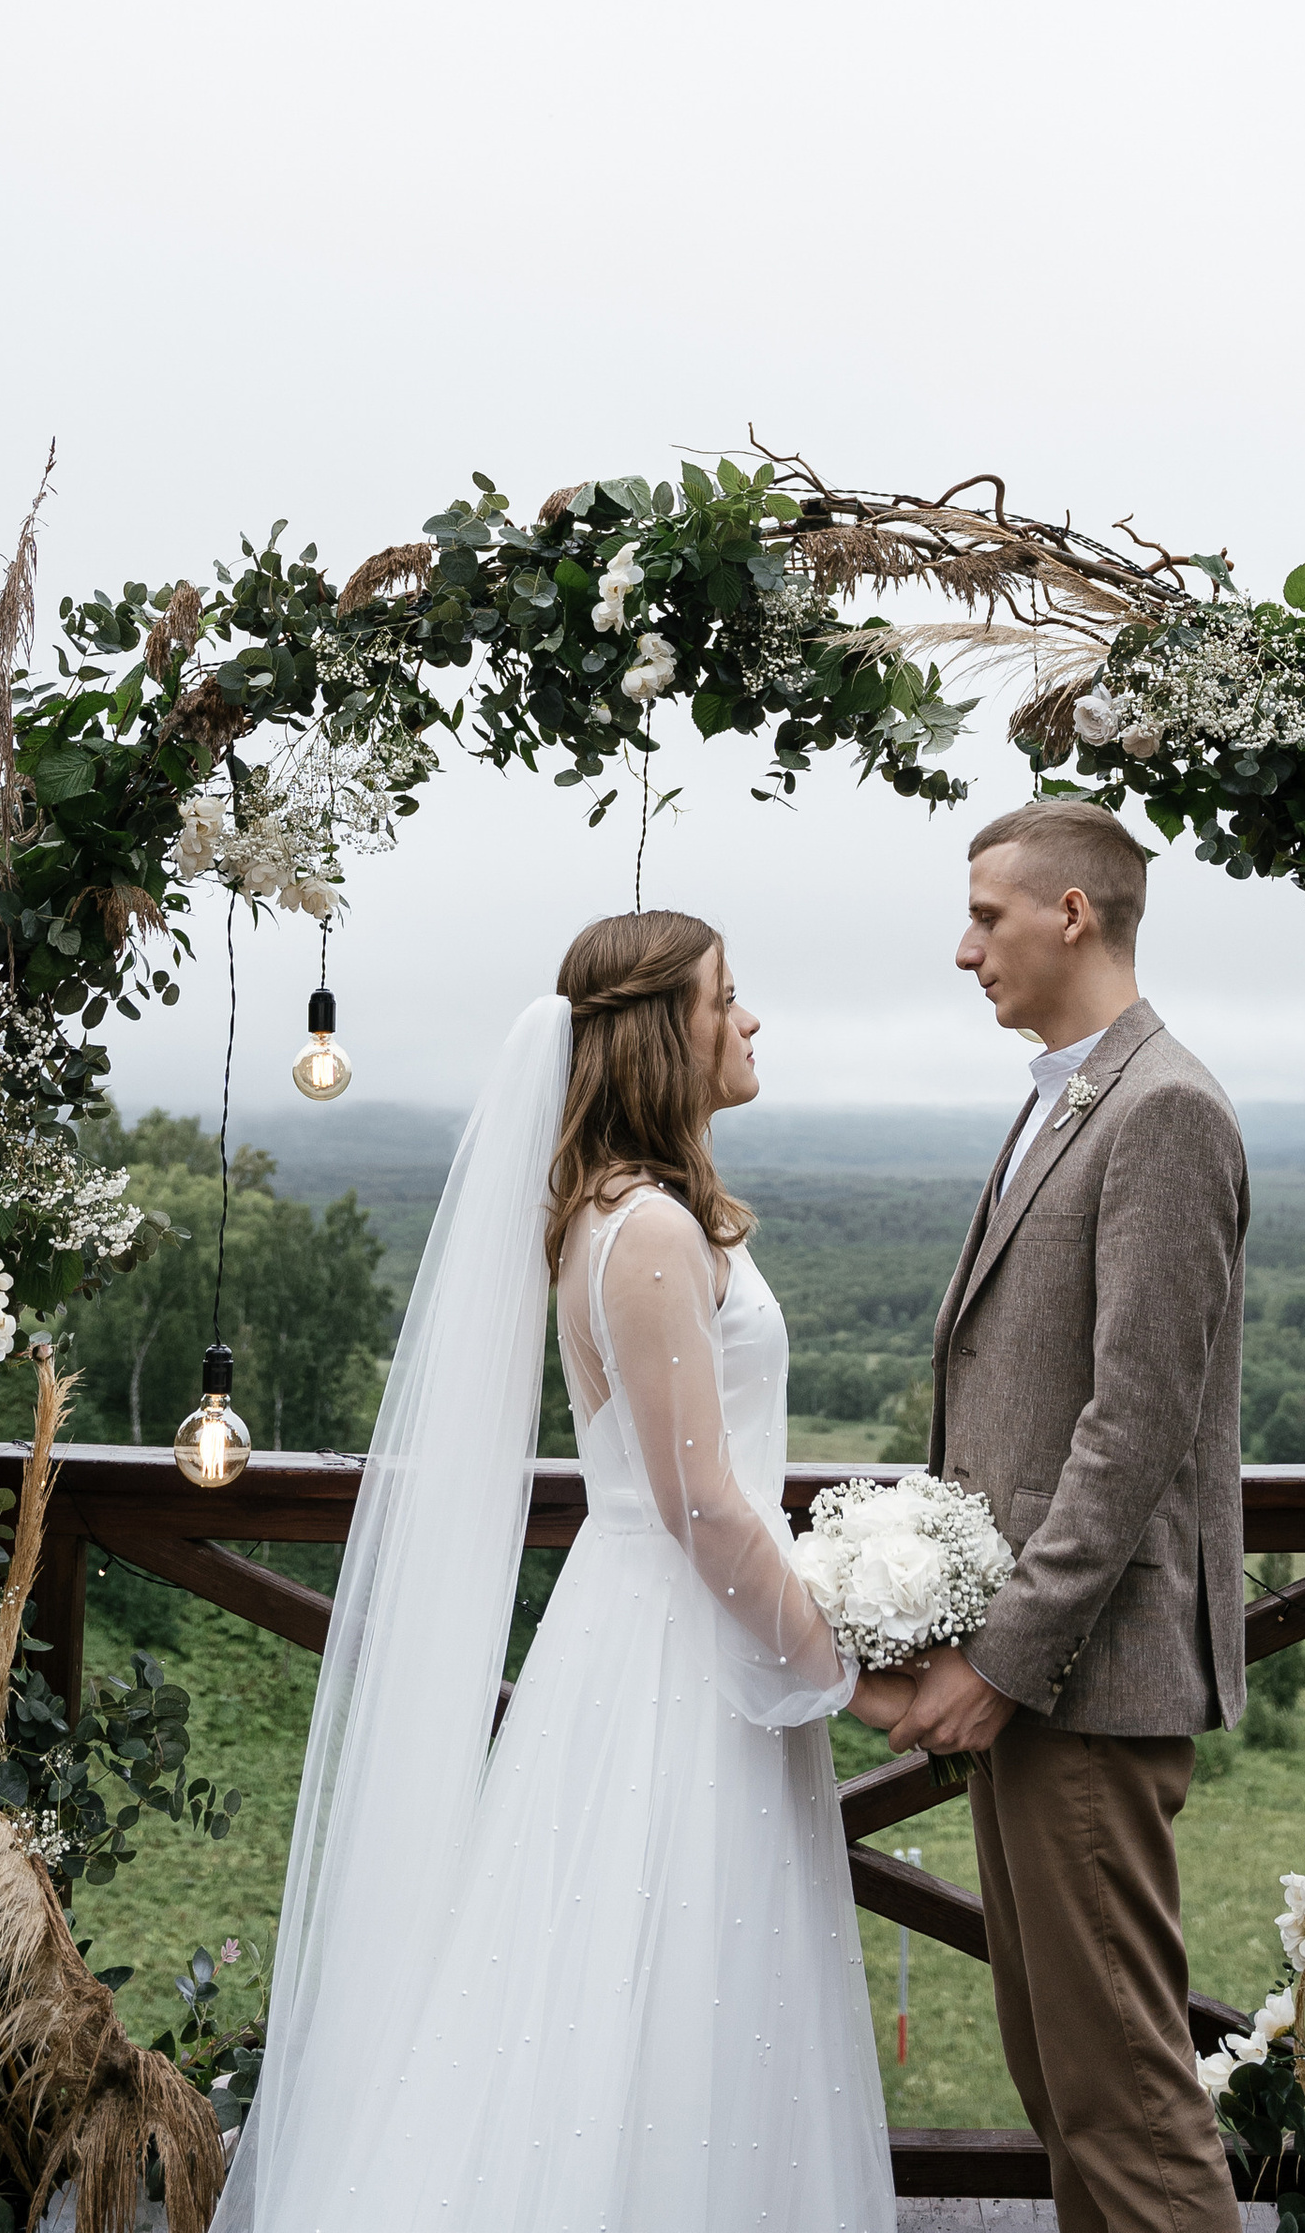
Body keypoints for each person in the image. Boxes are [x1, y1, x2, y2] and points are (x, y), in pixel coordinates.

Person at [216, 907, 915, 2233]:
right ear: (669, 1030)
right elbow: (702, 1507)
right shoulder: (643, 1227)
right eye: (730, 997)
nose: (754, 1019)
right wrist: (845, 1675)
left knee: (669, 1987)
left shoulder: (637, 1213)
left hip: (674, 1633)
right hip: (675, 1653)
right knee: (657, 1984)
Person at [890, 800, 1250, 2233]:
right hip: (1044, 1680)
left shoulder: (1164, 1108)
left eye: (986, 914)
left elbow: (1132, 1432)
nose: (964, 946)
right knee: (1062, 2080)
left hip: (1085, 1681)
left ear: (1072, 915)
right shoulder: (1068, 1089)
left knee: (1127, 2101)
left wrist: (1000, 1658)